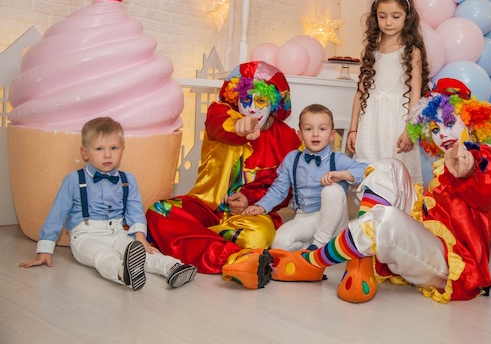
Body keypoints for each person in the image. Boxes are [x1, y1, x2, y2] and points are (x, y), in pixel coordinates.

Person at [222, 78, 491, 304]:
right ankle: (361, 255)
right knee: (389, 165)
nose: (442, 134)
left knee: (385, 219)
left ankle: (313, 261)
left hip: (453, 267)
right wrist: (259, 204)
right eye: (433, 127)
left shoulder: (485, 158)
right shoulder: (442, 167)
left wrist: (468, 165)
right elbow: (280, 187)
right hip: (417, 237)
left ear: (472, 121)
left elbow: (484, 183)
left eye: (450, 123)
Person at [147, 61, 302, 275]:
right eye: (246, 98)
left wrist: (249, 199)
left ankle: (189, 240)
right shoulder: (220, 113)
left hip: (251, 215)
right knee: (158, 212)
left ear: (273, 104)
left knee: (257, 236)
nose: (252, 107)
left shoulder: (288, 139)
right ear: (235, 96)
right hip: (205, 207)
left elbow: (285, 191)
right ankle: (233, 256)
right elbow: (220, 126)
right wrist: (239, 130)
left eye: (261, 100)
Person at [19, 117, 197, 291]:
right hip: (85, 235)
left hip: (117, 232)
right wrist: (44, 250)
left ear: (122, 149)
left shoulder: (127, 179)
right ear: (85, 153)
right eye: (99, 148)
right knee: (102, 255)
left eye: (114, 148)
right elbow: (57, 215)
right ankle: (122, 273)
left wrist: (140, 237)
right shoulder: (74, 180)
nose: (107, 154)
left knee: (142, 251)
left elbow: (135, 210)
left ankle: (174, 268)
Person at [243, 104, 368, 252]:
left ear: (332, 135)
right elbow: (279, 189)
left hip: (335, 219)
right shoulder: (292, 159)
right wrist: (261, 206)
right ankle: (316, 249)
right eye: (308, 129)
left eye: (322, 129)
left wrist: (342, 175)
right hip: (305, 216)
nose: (315, 134)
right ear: (300, 135)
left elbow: (366, 170)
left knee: (332, 190)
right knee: (279, 244)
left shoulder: (337, 158)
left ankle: (321, 243)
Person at [347, 0, 430, 185]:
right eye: (382, 16)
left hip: (397, 121)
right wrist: (353, 129)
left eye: (395, 16)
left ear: (407, 17)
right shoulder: (371, 50)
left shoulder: (412, 52)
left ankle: (395, 214)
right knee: (369, 168)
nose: (388, 22)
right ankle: (368, 212)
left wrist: (410, 130)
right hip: (370, 119)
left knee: (395, 171)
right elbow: (360, 92)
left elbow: (415, 96)